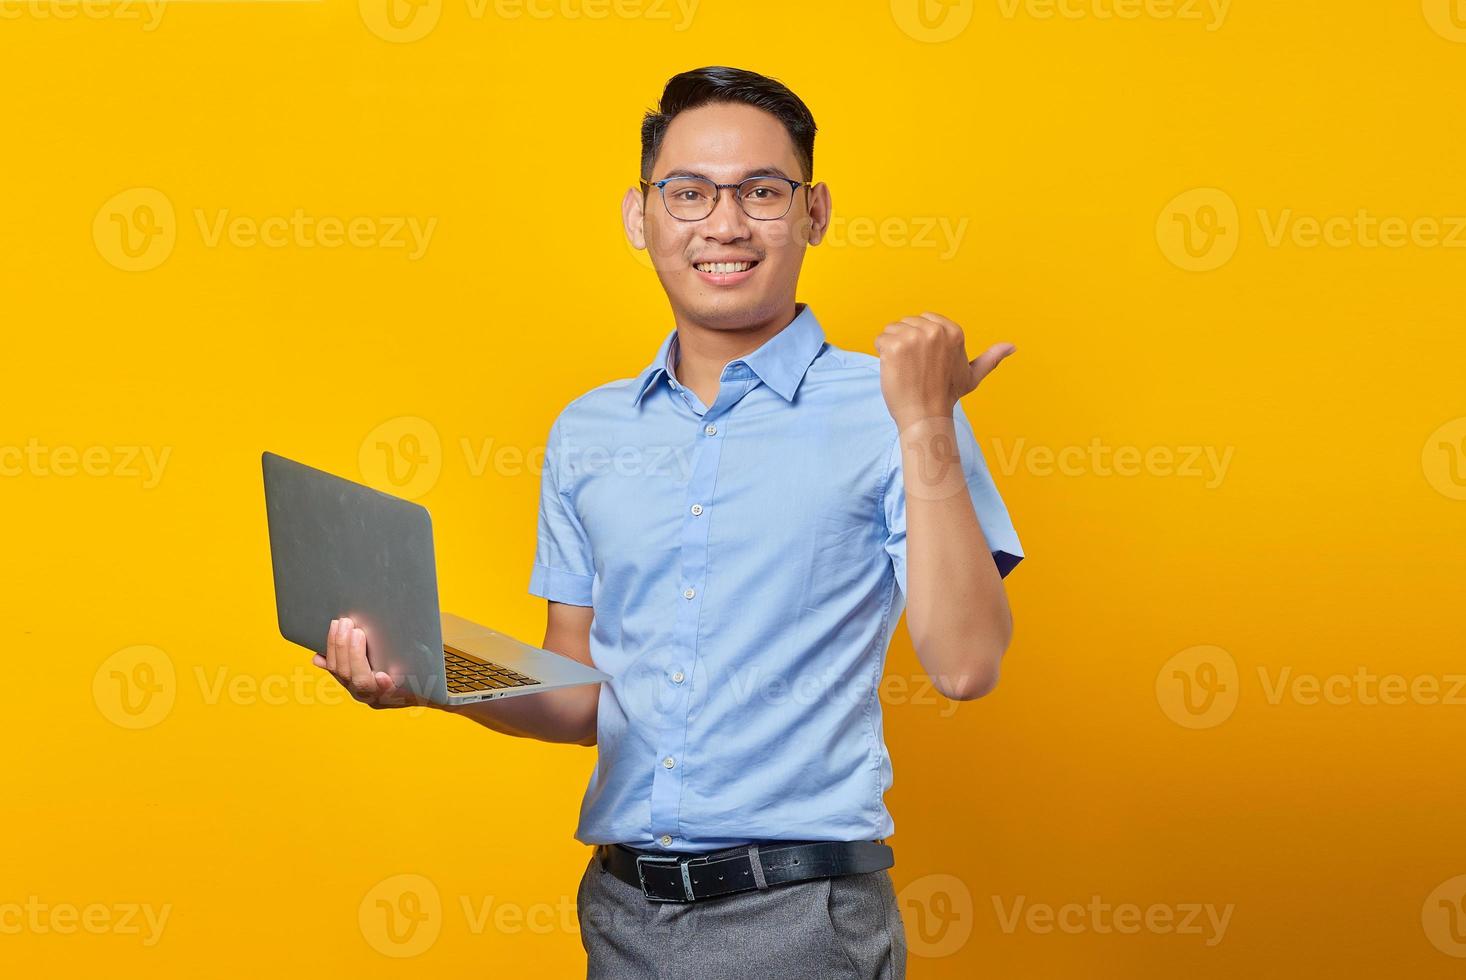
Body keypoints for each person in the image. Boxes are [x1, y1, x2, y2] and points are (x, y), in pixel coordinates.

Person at [315, 64, 1025, 980]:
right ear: (639, 215)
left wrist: (927, 420)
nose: (723, 225)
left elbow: (966, 663)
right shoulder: (589, 430)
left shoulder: (896, 404)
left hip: (800, 919)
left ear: (813, 213)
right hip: (622, 915)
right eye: (688, 192)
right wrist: (428, 665)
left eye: (761, 192)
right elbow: (579, 696)